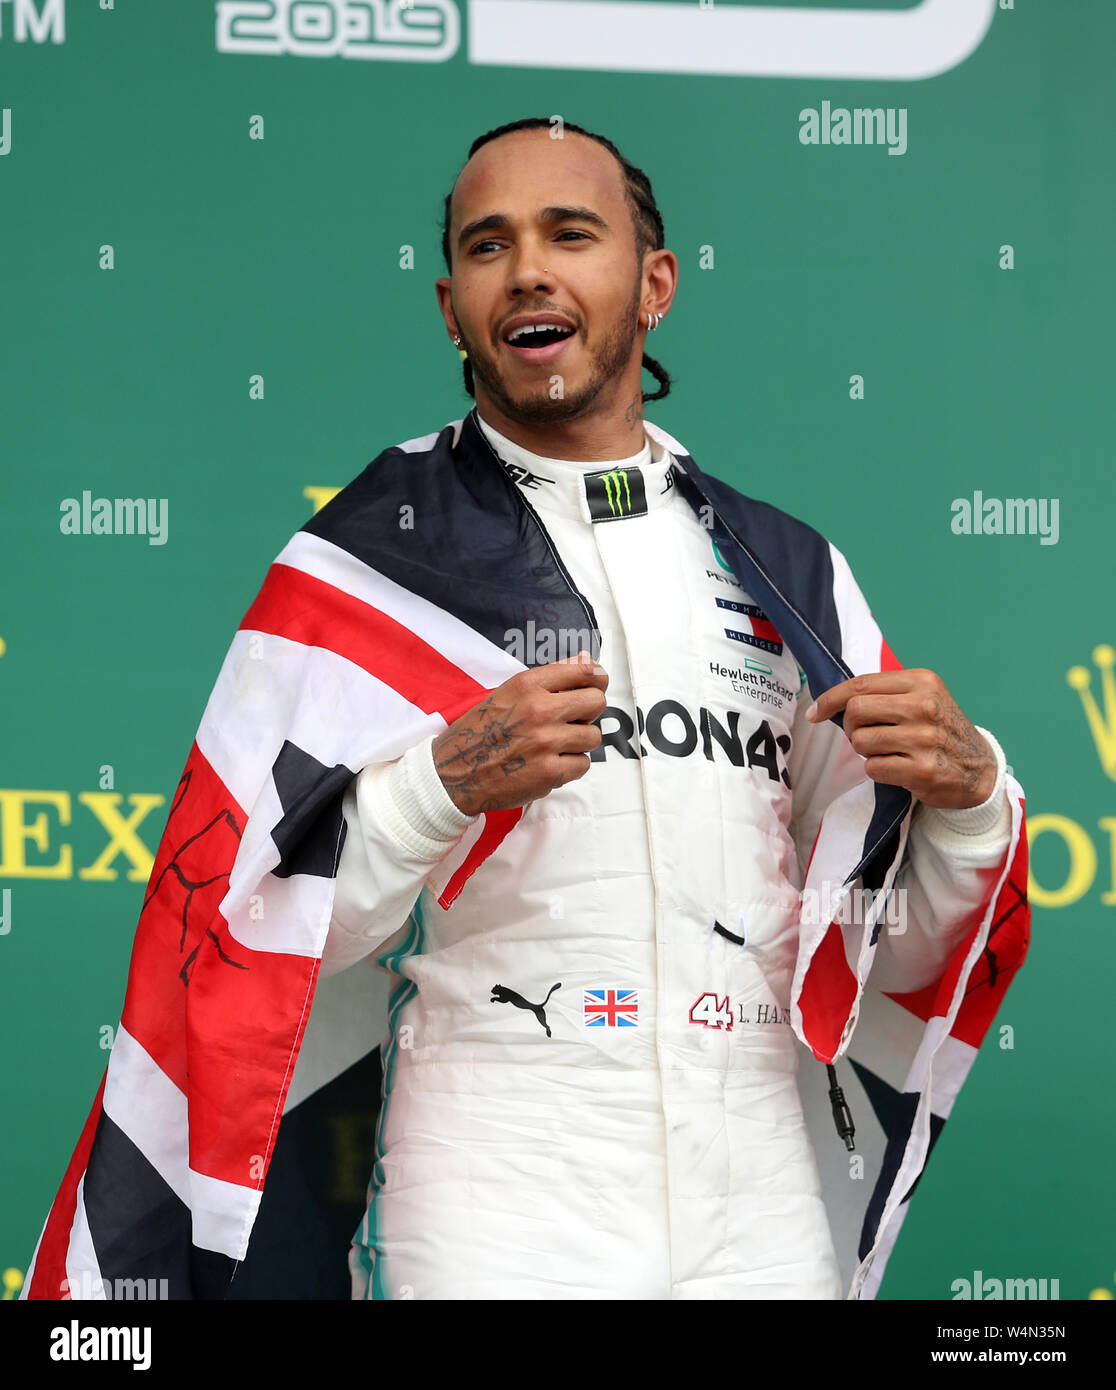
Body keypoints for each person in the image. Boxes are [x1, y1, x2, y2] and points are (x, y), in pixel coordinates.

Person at [21, 117, 1029, 1304]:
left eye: (571, 233)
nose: (531, 269)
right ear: (453, 308)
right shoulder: (368, 558)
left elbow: (881, 953)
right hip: (503, 1166)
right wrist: (433, 786)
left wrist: (967, 808)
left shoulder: (792, 573)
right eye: (489, 246)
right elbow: (249, 938)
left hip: (756, 1182)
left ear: (653, 284)